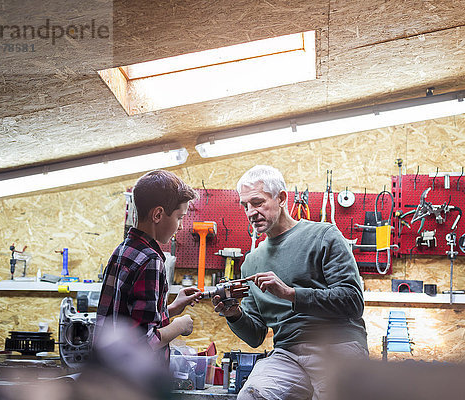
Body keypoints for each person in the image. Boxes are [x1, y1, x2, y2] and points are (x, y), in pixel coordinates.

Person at [213, 165, 368, 400]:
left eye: (257, 202)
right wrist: (234, 314)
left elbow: (353, 301)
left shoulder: (323, 235)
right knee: (252, 396)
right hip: (287, 353)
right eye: (245, 206)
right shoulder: (251, 262)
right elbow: (255, 335)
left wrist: (291, 294)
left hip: (337, 344)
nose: (250, 212)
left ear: (282, 198)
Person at [96, 169, 201, 366]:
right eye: (179, 217)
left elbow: (129, 322)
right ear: (158, 214)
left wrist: (171, 309)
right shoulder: (151, 260)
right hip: (135, 381)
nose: (180, 226)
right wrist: (179, 325)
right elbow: (142, 343)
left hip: (109, 374)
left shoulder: (122, 251)